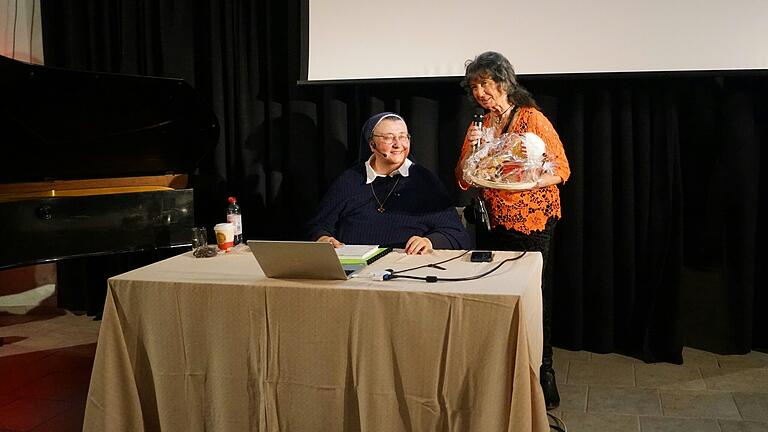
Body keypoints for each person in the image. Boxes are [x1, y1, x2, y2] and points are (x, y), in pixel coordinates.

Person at [455, 51, 571, 410]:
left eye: (484, 83)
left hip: (531, 221)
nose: (479, 92)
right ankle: (502, 376)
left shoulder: (532, 119)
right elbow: (462, 179)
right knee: (496, 296)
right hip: (492, 222)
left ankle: (543, 374)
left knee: (534, 299)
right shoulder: (481, 125)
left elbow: (562, 169)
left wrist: (527, 182)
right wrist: (472, 150)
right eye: (474, 86)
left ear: (504, 82)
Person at [307, 112, 471, 254]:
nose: (398, 144)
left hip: (407, 267)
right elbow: (318, 226)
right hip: (354, 269)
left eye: (402, 137)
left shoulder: (425, 180)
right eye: (388, 138)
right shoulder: (350, 180)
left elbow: (456, 234)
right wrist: (323, 239)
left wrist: (429, 241)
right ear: (372, 144)